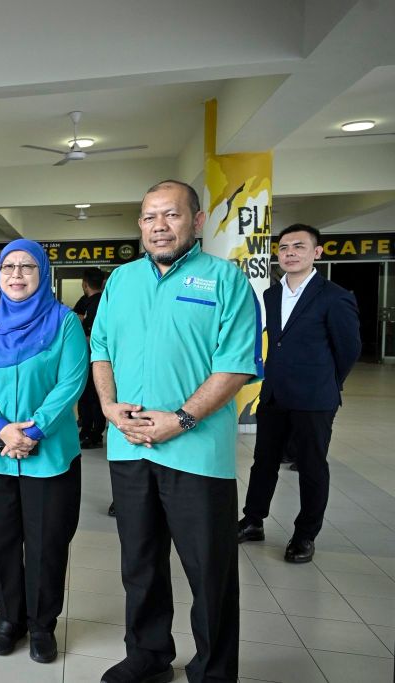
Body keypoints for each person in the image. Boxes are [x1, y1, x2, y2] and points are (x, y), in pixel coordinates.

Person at [90, 180, 260, 683]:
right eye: (148, 218)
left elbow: (234, 366)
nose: (159, 227)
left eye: (171, 215)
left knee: (209, 572)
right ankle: (148, 653)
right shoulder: (121, 281)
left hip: (196, 452)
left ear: (197, 221)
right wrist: (107, 406)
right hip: (129, 448)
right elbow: (100, 349)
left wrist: (181, 419)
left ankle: (212, 670)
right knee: (139, 563)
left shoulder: (225, 280)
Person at [0, 239, 88, 663]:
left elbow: (71, 381)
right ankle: (9, 619)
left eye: (27, 267)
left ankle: (42, 625)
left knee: (47, 542)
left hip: (49, 454)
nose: (16, 275)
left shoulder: (65, 322)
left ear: (44, 274)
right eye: (8, 267)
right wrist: (0, 428)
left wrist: (32, 430)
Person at [237, 224, 360, 563]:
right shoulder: (271, 294)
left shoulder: (335, 296)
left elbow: (349, 349)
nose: (290, 253)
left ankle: (305, 535)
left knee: (311, 467)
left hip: (314, 399)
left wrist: (328, 383)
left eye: (299, 247)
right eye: (284, 247)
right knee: (263, 462)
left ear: (316, 253)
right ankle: (253, 521)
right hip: (275, 395)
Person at [74, 267, 106, 449]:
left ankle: (94, 434)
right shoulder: (87, 301)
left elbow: (89, 332)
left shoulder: (99, 303)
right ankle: (87, 430)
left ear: (84, 284)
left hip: (95, 358)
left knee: (93, 396)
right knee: (86, 396)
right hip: (88, 358)